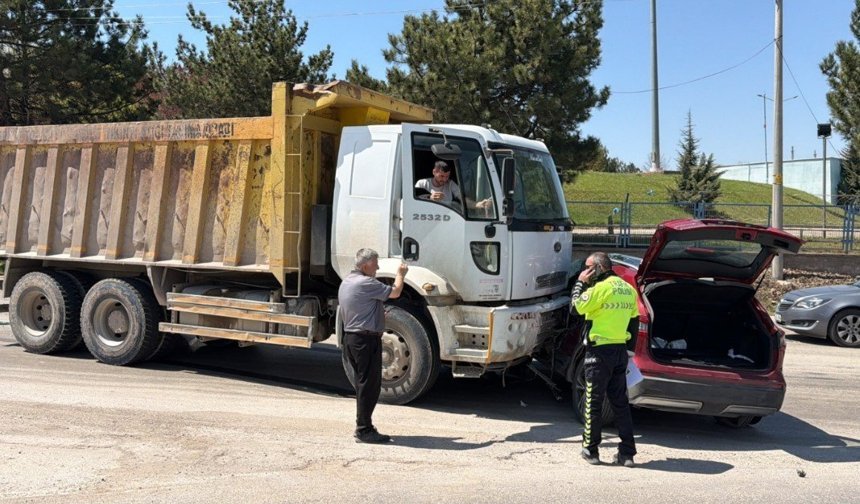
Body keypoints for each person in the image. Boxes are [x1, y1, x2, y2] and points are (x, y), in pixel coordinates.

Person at [571, 252, 641, 467]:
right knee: (620, 403)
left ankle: (590, 451)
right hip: (620, 352)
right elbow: (634, 322)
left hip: (599, 352)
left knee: (593, 402)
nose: (585, 272)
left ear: (599, 268)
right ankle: (627, 453)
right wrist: (628, 352)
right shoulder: (628, 289)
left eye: (588, 268)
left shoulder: (598, 289)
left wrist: (579, 284)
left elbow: (575, 308)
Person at [338, 248, 408, 444]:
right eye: (375, 263)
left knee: (364, 384)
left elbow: (359, 308)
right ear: (366, 264)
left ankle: (364, 426)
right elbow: (395, 292)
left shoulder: (347, 281)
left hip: (352, 338)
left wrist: (376, 315)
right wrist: (400, 274)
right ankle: (364, 429)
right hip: (365, 341)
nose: (377, 267)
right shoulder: (367, 282)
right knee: (369, 386)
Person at [415, 160, 493, 212]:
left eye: (447, 176)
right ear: (434, 172)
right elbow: (413, 200)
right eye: (442, 176)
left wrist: (477, 204)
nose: (445, 180)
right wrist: (429, 198)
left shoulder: (450, 184)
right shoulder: (422, 183)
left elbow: (462, 199)